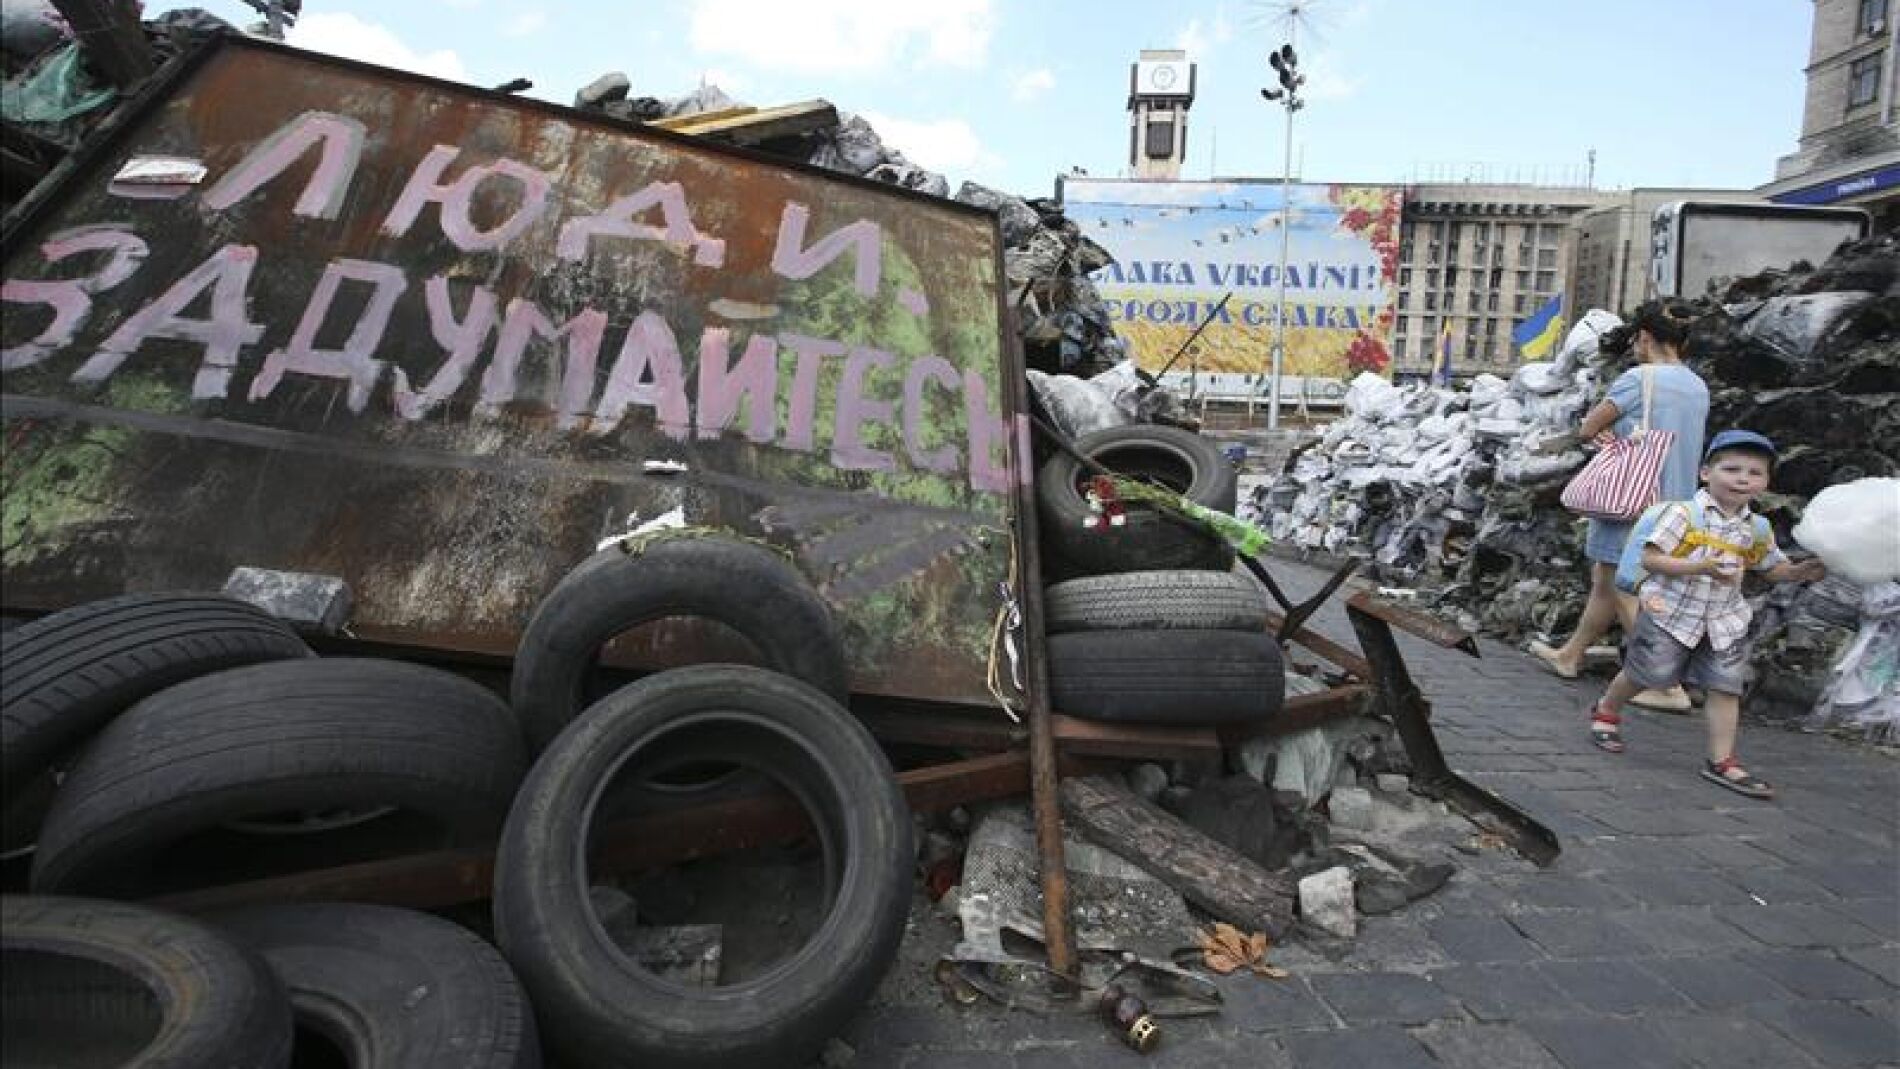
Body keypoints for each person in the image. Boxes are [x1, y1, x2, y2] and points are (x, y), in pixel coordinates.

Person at [1584, 430, 1828, 799]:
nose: (1742, 479)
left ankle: (1722, 761)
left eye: (1754, 473)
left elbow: (1769, 568)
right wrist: (1699, 568)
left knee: (1726, 687)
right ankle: (1606, 710)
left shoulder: (1756, 528)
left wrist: (1797, 572)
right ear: (1705, 473)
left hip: (1724, 621)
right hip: (1670, 614)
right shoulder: (1683, 515)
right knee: (1646, 674)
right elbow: (1651, 558)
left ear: (1765, 483)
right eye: (1731, 469)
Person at [1531, 300, 1709, 711]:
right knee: (1606, 580)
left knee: (1622, 585)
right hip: (1675, 501)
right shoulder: (1697, 385)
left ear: (1644, 338)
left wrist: (1613, 441)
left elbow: (1588, 428)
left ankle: (1666, 684)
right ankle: (1570, 655)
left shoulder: (1638, 378)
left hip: (1630, 499)